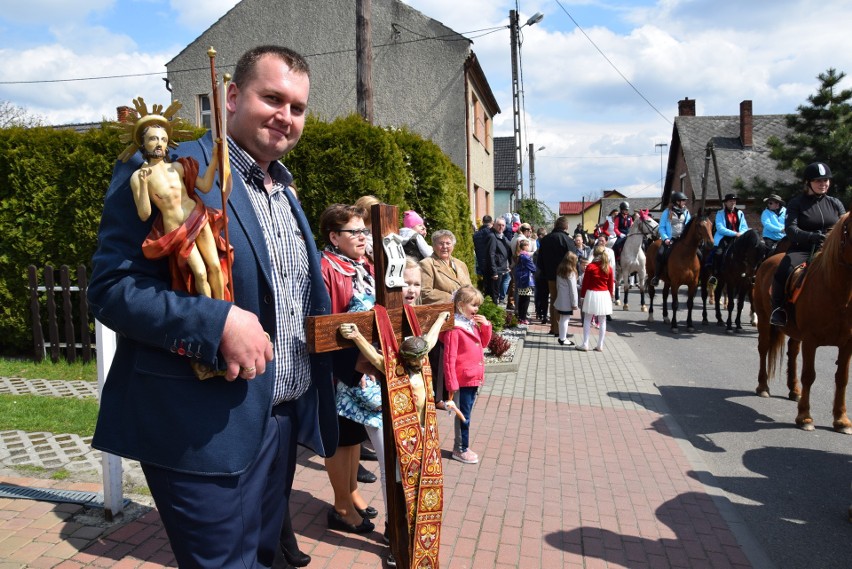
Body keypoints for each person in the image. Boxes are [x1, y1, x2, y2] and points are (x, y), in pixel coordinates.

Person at [88, 45, 337, 568]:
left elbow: (288, 300)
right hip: (201, 431)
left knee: (264, 558)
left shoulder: (283, 191)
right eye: (271, 98)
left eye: (297, 107)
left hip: (280, 422)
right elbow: (112, 288)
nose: (285, 116)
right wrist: (215, 321)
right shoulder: (169, 168)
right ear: (230, 95)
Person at [335, 257, 428, 568]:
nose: (412, 290)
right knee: (392, 466)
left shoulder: (415, 313)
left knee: (407, 467)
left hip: (406, 403)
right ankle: (394, 530)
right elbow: (356, 343)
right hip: (376, 400)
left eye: (417, 283)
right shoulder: (367, 303)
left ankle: (404, 524)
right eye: (405, 283)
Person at [317, 203, 377, 535]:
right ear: (334, 237)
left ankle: (351, 491)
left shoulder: (361, 265)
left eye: (363, 231)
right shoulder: (326, 267)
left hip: (360, 366)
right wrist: (349, 363)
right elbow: (326, 325)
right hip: (338, 368)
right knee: (339, 439)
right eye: (354, 232)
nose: (362, 237)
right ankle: (340, 507)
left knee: (354, 437)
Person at [130, 121, 228, 300]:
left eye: (163, 139)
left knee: (214, 266)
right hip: (178, 230)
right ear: (143, 143)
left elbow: (205, 186)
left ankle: (225, 310)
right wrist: (144, 186)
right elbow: (144, 215)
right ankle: (210, 312)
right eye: (153, 138)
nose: (159, 143)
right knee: (199, 273)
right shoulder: (139, 177)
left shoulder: (177, 167)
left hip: (198, 216)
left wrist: (214, 158)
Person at [770, 162, 846, 326]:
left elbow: (843, 227)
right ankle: (779, 309)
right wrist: (810, 236)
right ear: (808, 183)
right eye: (818, 181)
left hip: (832, 251)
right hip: (803, 249)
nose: (823, 184)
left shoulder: (835, 203)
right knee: (784, 270)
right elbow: (790, 229)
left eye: (826, 180)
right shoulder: (796, 203)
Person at [441, 285, 492, 464]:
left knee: (466, 413)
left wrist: (485, 325)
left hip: (472, 377)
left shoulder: (470, 324)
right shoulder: (455, 328)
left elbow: (483, 343)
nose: (476, 309)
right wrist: (452, 383)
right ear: (461, 305)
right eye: (473, 305)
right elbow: (449, 357)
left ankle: (462, 446)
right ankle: (460, 448)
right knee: (464, 414)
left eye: (478, 305)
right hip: (462, 379)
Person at [537, 216, 578, 335]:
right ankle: (560, 331)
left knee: (553, 300)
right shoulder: (567, 240)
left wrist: (544, 272)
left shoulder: (545, 239)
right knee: (562, 302)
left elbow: (540, 259)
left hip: (549, 275)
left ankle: (553, 327)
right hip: (564, 275)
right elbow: (573, 258)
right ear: (566, 226)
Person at [577, 243, 615, 352]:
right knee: (602, 320)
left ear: (594, 254)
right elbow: (610, 284)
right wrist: (611, 294)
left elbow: (585, 284)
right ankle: (600, 345)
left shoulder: (590, 267)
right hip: (604, 294)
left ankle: (585, 344)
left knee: (588, 319)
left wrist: (582, 296)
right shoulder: (608, 267)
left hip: (591, 293)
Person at [419, 229, 472, 304]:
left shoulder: (461, 264)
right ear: (433, 246)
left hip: (465, 311)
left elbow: (470, 289)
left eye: (448, 243)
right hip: (442, 312)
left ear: (453, 246)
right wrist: (453, 298)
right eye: (441, 243)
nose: (444, 246)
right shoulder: (426, 264)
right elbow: (424, 293)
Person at [653, 191, 691, 285]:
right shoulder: (667, 212)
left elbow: (689, 225)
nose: (684, 203)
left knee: (699, 254)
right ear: (677, 201)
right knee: (660, 254)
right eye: (683, 201)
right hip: (670, 239)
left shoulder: (686, 212)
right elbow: (661, 227)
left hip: (683, 239)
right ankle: (657, 276)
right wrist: (665, 239)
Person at [710, 193, 748, 273]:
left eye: (734, 201)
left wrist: (740, 233)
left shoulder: (740, 213)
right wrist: (735, 234)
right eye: (730, 201)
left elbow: (745, 227)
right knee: (718, 254)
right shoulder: (720, 213)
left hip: (739, 238)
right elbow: (720, 229)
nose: (733, 203)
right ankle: (716, 274)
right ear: (725, 203)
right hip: (724, 238)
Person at [484, 216, 512, 304]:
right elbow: (490, 255)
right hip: (496, 270)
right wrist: (494, 272)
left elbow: (508, 248)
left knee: (496, 293)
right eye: (499, 225)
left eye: (503, 225)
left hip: (502, 268)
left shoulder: (502, 236)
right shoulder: (492, 236)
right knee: (493, 295)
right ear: (494, 225)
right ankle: (492, 315)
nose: (501, 227)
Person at [553, 252, 579, 346]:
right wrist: (575, 303)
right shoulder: (571, 272)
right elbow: (573, 289)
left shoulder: (560, 270)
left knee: (562, 319)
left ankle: (562, 337)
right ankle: (563, 338)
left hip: (561, 297)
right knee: (565, 319)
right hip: (567, 300)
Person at [513, 238, 536, 324]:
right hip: (525, 280)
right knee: (526, 299)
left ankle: (520, 317)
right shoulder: (525, 256)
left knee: (522, 299)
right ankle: (523, 318)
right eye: (528, 245)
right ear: (525, 246)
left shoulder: (520, 255)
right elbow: (533, 267)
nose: (529, 247)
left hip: (521, 279)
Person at [472, 215, 493, 285]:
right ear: (491, 222)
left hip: (480, 260)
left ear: (483, 222)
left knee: (484, 281)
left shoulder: (476, 234)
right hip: (491, 261)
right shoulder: (492, 233)